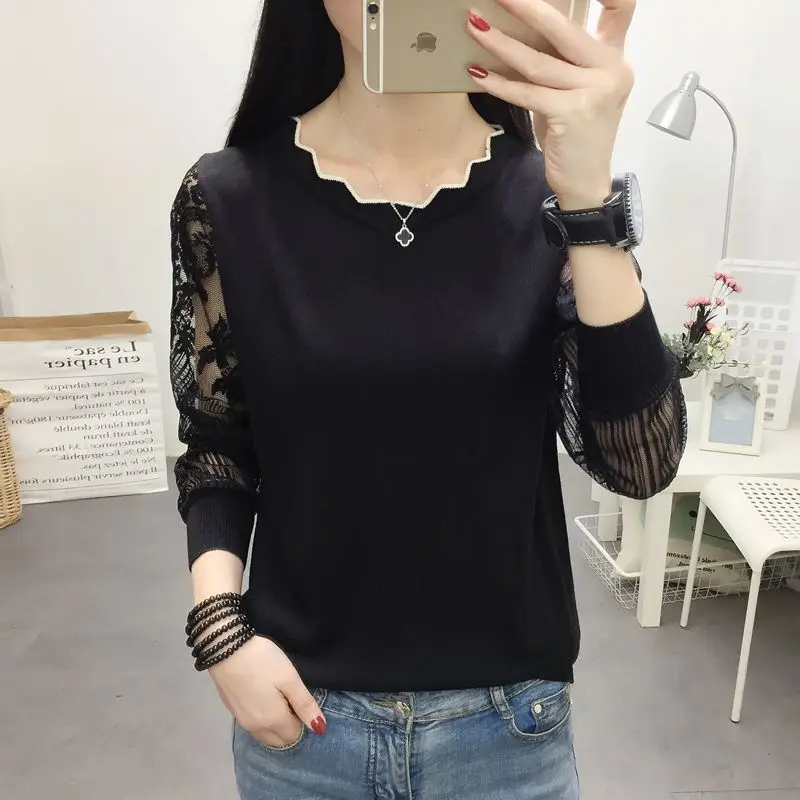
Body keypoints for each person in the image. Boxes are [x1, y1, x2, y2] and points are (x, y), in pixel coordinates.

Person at [169, 0, 686, 797]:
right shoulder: (229, 197)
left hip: (510, 729)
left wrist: (586, 200)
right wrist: (221, 632)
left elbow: (638, 462)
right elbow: (219, 443)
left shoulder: (547, 197)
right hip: (303, 723)